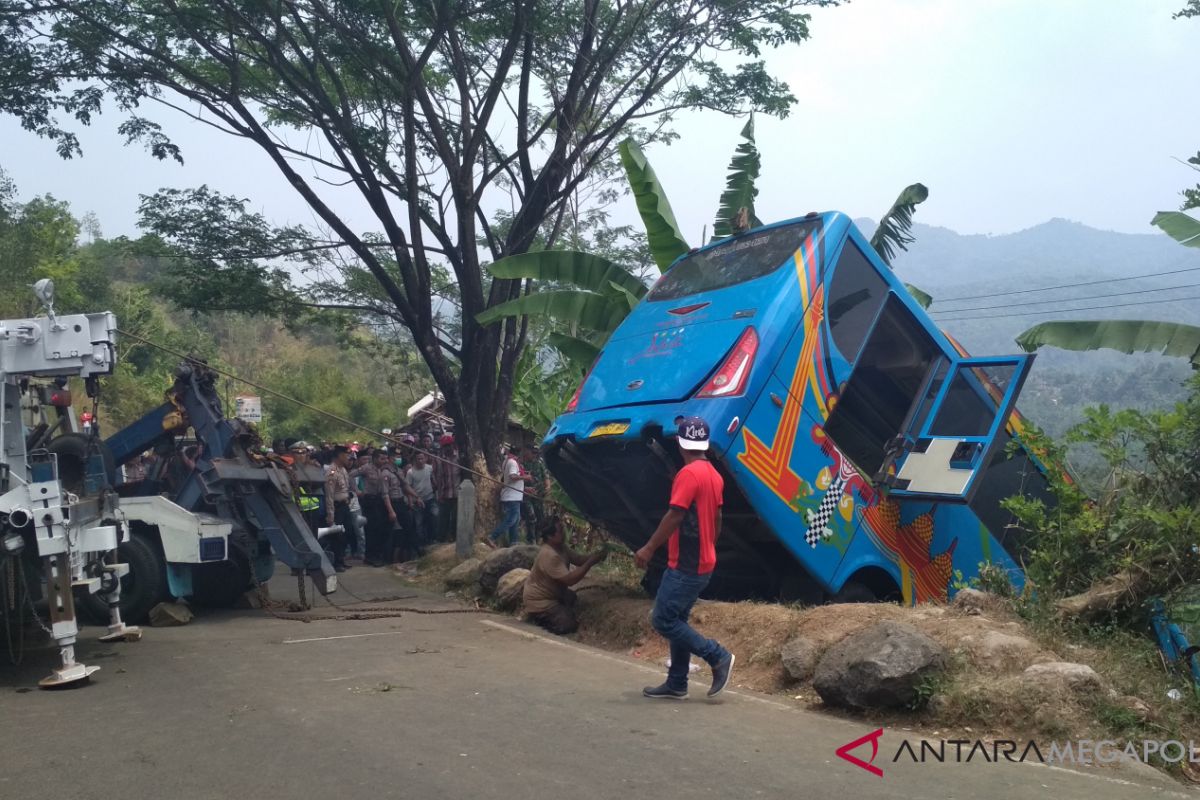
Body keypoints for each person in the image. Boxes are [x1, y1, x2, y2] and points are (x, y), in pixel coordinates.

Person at [635, 416, 735, 700]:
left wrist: (649, 547)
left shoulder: (688, 474)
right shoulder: (714, 474)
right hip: (703, 561)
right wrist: (710, 545)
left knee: (663, 620)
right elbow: (717, 517)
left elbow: (675, 514)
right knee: (678, 618)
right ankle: (677, 681)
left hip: (687, 563)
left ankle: (718, 656)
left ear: (680, 443)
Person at [523, 516, 606, 634]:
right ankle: (539, 618)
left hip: (553, 594)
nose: (564, 533)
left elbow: (578, 559)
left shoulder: (560, 547)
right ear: (550, 536)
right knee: (568, 625)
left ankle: (556, 611)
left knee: (572, 598)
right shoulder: (550, 555)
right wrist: (591, 562)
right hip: (540, 601)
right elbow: (570, 580)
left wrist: (596, 556)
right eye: (561, 531)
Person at [352, 449, 398, 567]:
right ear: (375, 458)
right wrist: (357, 490)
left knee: (382, 528)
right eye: (382, 458)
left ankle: (379, 555)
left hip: (382, 500)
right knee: (372, 528)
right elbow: (350, 476)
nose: (384, 461)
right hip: (370, 500)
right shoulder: (367, 468)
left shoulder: (386, 469)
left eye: (385, 458)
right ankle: (371, 556)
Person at [487, 445, 530, 548]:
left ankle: (513, 541)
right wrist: (526, 477)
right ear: (518, 453)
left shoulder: (508, 461)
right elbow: (512, 476)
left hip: (514, 495)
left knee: (516, 519)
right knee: (511, 519)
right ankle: (492, 536)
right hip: (512, 497)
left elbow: (510, 480)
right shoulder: (513, 462)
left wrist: (525, 489)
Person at [323, 445, 354, 572]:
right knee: (337, 536)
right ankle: (337, 562)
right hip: (337, 507)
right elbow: (329, 494)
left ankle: (341, 559)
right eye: (346, 455)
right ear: (339, 455)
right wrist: (330, 514)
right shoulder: (332, 471)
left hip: (345, 506)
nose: (349, 458)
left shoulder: (343, 470)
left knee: (347, 533)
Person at [405, 450, 438, 547]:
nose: (420, 460)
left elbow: (434, 480)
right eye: (418, 459)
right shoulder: (410, 472)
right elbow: (408, 487)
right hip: (417, 501)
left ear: (425, 459)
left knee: (434, 516)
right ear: (415, 460)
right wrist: (411, 502)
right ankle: (422, 545)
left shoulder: (430, 468)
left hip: (430, 498)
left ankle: (433, 539)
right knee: (419, 524)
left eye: (422, 458)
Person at [432, 434, 460, 541]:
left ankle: (454, 537)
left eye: (449, 445)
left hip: (457, 493)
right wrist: (438, 492)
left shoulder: (458, 457)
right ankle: (441, 539)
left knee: (455, 518)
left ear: (452, 445)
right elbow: (434, 476)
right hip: (444, 494)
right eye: (445, 446)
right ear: (442, 447)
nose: (447, 448)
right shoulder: (438, 460)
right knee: (443, 518)